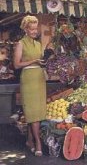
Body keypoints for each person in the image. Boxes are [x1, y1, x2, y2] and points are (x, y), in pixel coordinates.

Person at [14, 15, 47, 156]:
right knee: (32, 112)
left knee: (37, 112)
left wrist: (45, 64)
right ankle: (37, 142)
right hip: (28, 79)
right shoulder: (21, 43)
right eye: (31, 29)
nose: (34, 31)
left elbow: (40, 61)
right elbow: (16, 64)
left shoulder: (39, 44)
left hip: (39, 78)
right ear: (26, 29)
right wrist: (34, 61)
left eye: (35, 29)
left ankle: (29, 141)